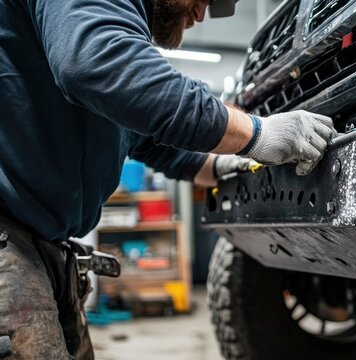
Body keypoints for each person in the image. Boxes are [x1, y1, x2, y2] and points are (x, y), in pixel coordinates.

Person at [0, 0, 337, 357]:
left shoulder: (103, 24)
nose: (203, 14)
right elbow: (97, 63)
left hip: (42, 248)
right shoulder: (98, 36)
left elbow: (152, 140)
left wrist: (225, 163)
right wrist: (255, 133)